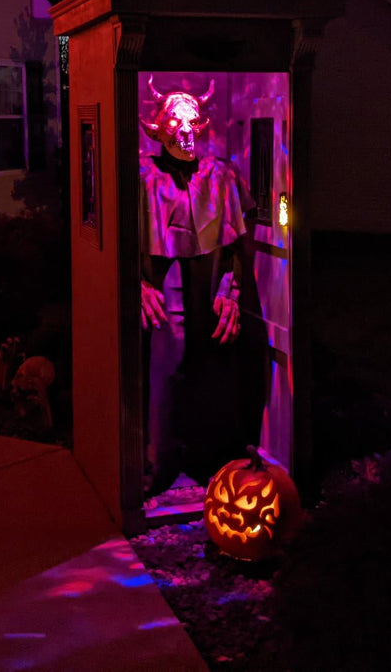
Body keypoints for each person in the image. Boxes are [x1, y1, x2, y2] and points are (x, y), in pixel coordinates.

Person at [139, 77, 265, 496]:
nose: (186, 130)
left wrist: (232, 291)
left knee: (212, 365)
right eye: (176, 121)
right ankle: (159, 461)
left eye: (193, 121)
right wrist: (137, 283)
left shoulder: (221, 175)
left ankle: (210, 459)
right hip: (162, 286)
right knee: (165, 366)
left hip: (211, 282)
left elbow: (237, 243)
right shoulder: (144, 178)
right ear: (159, 129)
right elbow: (118, 241)